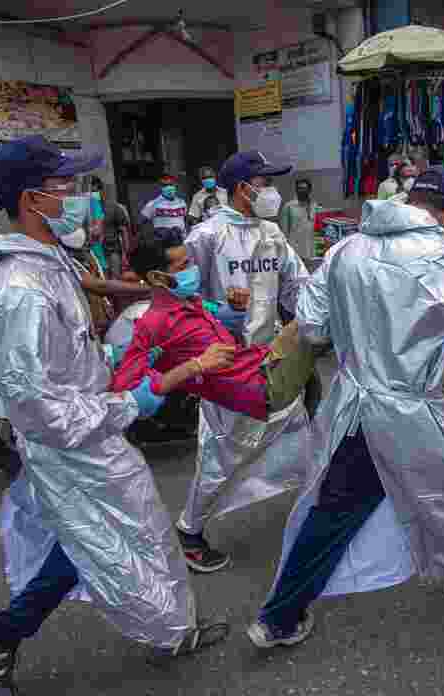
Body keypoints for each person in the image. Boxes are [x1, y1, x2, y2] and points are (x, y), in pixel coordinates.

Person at [0, 136, 227, 696]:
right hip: (73, 446)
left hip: (93, 430)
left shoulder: (48, 257)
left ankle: (170, 629)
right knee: (104, 545)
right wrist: (136, 399)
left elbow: (78, 299)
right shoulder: (19, 295)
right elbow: (40, 409)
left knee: (122, 539)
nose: (81, 198)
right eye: (67, 188)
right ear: (33, 199)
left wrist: (136, 310)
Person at [245, 167, 444, 649]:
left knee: (340, 506)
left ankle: (279, 617)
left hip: (354, 405)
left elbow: (312, 325)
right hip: (407, 411)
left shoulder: (347, 250)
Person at [177, 150, 314, 573]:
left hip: (271, 357)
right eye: (266, 183)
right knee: (222, 453)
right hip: (227, 365)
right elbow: (176, 298)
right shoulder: (206, 237)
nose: (272, 191)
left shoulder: (272, 233)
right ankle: (190, 529)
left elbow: (298, 289)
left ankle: (314, 505)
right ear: (243, 189)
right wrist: (216, 312)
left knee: (298, 431)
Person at [110, 237, 320, 422]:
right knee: (322, 306)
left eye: (190, 261)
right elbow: (124, 392)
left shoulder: (193, 301)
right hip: (262, 388)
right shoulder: (153, 324)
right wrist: (193, 366)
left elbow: (222, 323)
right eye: (183, 266)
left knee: (313, 310)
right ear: (157, 278)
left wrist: (236, 308)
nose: (192, 269)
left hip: (263, 361)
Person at [140, 172, 188, 244]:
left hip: (181, 242)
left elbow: (185, 221)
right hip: (163, 243)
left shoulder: (182, 202)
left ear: (175, 185)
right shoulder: (153, 204)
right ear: (160, 187)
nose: (169, 187)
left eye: (171, 184)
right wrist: (147, 238)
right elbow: (141, 222)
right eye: (165, 185)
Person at [280, 178, 319, 260]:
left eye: (305, 188)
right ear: (296, 190)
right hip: (295, 250)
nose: (302, 191)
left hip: (310, 250)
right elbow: (284, 231)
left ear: (309, 190)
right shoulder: (289, 207)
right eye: (299, 188)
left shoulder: (315, 206)